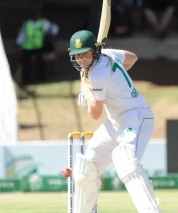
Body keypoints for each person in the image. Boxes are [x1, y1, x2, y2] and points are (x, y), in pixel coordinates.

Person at [68, 30, 160, 213]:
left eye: (85, 54)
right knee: (87, 167)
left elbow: (94, 114)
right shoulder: (108, 54)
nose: (82, 60)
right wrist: (111, 80)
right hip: (115, 120)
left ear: (95, 51)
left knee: (126, 162)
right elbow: (132, 58)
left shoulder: (96, 76)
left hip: (136, 116)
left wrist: (87, 90)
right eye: (78, 56)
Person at [16, 9, 59, 85]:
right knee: (26, 65)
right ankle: (26, 81)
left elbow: (54, 28)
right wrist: (19, 46)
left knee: (41, 64)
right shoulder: (27, 24)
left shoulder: (43, 22)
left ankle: (42, 80)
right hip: (27, 47)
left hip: (38, 47)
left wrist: (51, 36)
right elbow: (22, 36)